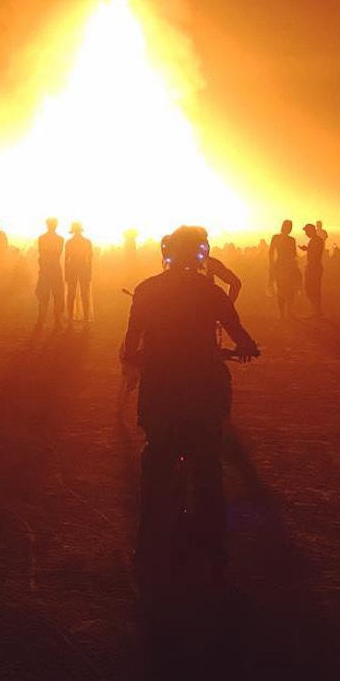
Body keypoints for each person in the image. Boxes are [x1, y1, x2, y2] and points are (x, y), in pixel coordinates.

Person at [120, 224, 259, 585]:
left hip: (160, 392)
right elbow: (241, 337)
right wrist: (245, 349)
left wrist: (139, 363)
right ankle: (214, 550)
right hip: (203, 391)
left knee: (155, 466)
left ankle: (147, 548)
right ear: (200, 252)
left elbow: (129, 347)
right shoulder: (211, 292)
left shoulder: (146, 290)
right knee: (208, 469)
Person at [35, 217, 65, 330]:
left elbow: (41, 255)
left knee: (44, 297)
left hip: (45, 270)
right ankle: (57, 321)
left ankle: (41, 320)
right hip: (55, 269)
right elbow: (57, 254)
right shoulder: (60, 239)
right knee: (57, 296)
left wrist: (42, 268)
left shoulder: (41, 238)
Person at [268, 219, 300, 320]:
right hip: (284, 266)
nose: (289, 229)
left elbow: (271, 252)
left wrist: (272, 265)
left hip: (284, 266)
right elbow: (271, 252)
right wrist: (272, 265)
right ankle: (284, 313)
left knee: (287, 290)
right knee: (284, 290)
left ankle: (286, 313)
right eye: (289, 227)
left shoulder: (279, 238)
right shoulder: (287, 239)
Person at [64, 221, 94, 322]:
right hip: (83, 268)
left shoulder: (69, 242)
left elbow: (66, 260)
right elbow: (89, 259)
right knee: (83, 294)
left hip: (74, 268)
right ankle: (83, 317)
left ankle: (71, 317)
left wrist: (66, 273)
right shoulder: (87, 242)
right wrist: (89, 272)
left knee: (72, 294)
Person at [301, 223, 325, 316]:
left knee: (312, 289)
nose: (305, 233)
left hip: (313, 267)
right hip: (313, 267)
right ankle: (316, 311)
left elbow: (315, 254)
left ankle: (317, 311)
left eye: (306, 231)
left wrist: (307, 250)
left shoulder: (316, 240)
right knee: (313, 289)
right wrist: (307, 249)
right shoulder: (316, 240)